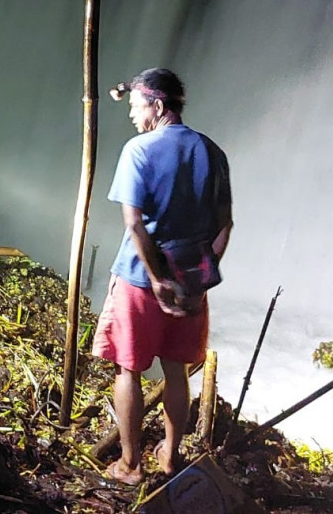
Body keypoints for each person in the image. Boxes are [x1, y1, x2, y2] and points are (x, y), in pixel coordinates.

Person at [92, 68, 233, 483]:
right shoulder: (212, 152)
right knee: (176, 372)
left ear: (157, 105)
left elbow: (135, 225)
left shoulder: (139, 150)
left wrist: (157, 279)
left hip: (139, 281)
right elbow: (224, 225)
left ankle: (131, 464)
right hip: (190, 284)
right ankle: (170, 456)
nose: (133, 116)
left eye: (137, 107)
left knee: (128, 370)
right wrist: (199, 280)